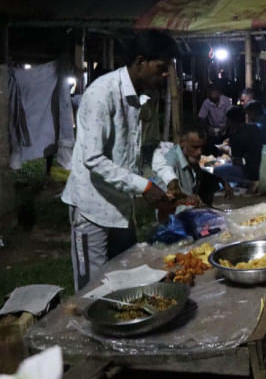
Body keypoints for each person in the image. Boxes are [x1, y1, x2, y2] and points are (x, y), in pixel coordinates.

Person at [61, 29, 176, 291]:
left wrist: (169, 180)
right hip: (93, 207)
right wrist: (144, 186)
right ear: (139, 62)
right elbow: (93, 158)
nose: (165, 74)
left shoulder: (145, 97)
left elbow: (150, 147)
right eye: (161, 67)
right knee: (93, 290)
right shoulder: (102, 93)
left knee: (126, 279)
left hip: (122, 208)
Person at [151, 127, 233, 210]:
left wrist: (222, 180)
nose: (199, 152)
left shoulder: (192, 158)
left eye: (202, 147)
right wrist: (186, 199)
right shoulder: (169, 164)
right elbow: (162, 197)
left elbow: (204, 170)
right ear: (182, 143)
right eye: (195, 147)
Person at [214, 106, 264, 192]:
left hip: (249, 172)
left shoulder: (236, 134)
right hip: (261, 168)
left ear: (230, 121)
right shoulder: (255, 128)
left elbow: (236, 161)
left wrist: (225, 151)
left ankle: (247, 183)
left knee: (216, 171)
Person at [198, 85, 233, 155]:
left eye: (214, 93)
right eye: (210, 93)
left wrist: (225, 128)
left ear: (219, 93)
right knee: (211, 148)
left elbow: (231, 117)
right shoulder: (207, 102)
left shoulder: (226, 101)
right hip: (213, 129)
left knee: (225, 148)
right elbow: (202, 117)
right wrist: (207, 128)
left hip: (225, 128)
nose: (212, 95)